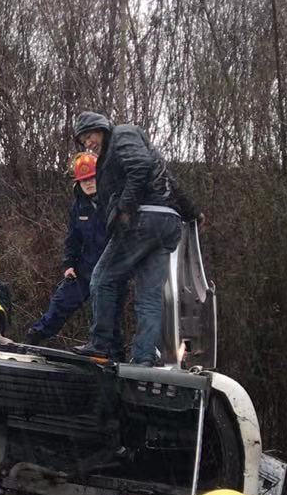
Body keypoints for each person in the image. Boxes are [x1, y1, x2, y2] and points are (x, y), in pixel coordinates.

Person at [70, 112, 201, 364]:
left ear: (102, 128)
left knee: (102, 279)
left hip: (144, 219)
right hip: (167, 223)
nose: (88, 143)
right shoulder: (128, 149)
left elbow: (139, 166)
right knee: (149, 298)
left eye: (90, 135)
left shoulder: (122, 134)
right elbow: (168, 181)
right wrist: (192, 212)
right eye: (83, 140)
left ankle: (100, 344)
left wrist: (124, 209)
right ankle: (143, 358)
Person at [24, 152, 107, 346]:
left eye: (92, 178)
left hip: (109, 268)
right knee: (61, 302)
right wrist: (69, 264)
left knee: (106, 311)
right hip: (85, 268)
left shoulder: (111, 201)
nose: (88, 183)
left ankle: (106, 350)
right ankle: (33, 338)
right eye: (83, 180)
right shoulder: (78, 207)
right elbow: (73, 239)